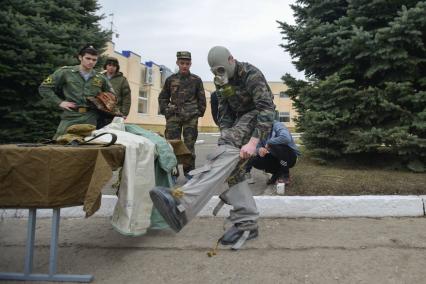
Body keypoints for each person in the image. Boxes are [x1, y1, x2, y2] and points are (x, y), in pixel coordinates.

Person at [150, 46, 275, 249]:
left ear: (231, 60)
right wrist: (225, 133)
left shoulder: (251, 75)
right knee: (230, 166)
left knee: (225, 151)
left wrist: (253, 142)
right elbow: (224, 111)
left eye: (222, 70)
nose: (219, 75)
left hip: (258, 117)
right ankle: (247, 222)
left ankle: (183, 199)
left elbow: (267, 109)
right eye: (215, 71)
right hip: (238, 121)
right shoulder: (220, 80)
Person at [39, 44, 114, 139]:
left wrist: (103, 102)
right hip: (71, 116)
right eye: (88, 58)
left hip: (90, 118)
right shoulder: (65, 72)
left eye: (94, 60)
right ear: (80, 57)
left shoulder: (100, 78)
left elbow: (112, 95)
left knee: (88, 147)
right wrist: (60, 102)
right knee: (61, 143)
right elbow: (44, 88)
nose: (91, 62)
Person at [158, 51, 206, 180]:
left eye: (187, 63)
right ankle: (173, 173)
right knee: (172, 144)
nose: (184, 66)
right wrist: (166, 111)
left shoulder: (196, 80)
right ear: (177, 63)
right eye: (182, 63)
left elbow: (201, 98)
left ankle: (189, 172)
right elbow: (163, 97)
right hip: (174, 116)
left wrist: (198, 113)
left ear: (190, 64)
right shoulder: (171, 80)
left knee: (189, 145)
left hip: (191, 117)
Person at [245, 120, 300, 185]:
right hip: (276, 159)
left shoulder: (278, 125)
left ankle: (285, 175)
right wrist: (259, 149)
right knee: (254, 159)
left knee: (274, 145)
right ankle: (277, 174)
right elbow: (255, 147)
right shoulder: (259, 131)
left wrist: (269, 142)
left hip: (290, 158)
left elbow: (286, 138)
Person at [98, 57, 131, 129]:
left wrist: (124, 113)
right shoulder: (99, 77)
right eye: (109, 65)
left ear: (117, 67)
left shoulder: (122, 80)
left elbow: (127, 97)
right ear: (106, 66)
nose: (111, 67)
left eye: (114, 66)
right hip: (99, 111)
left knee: (112, 132)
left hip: (115, 112)